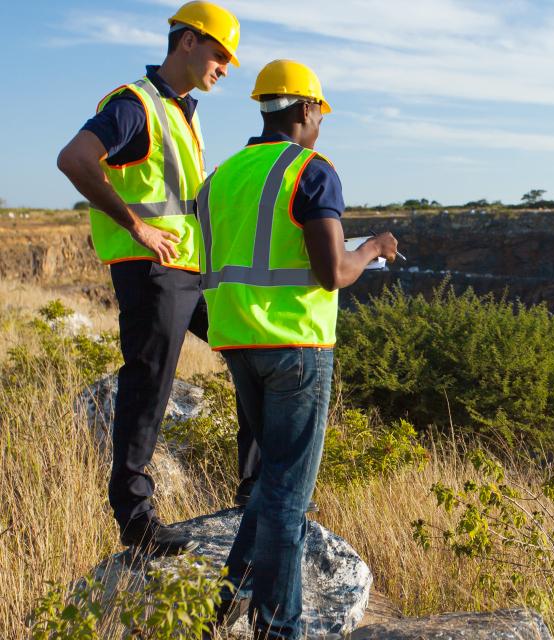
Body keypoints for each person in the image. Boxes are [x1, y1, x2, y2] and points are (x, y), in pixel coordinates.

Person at [196, 59, 397, 639]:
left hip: (238, 342)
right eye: (320, 115)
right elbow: (332, 271)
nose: (320, 125)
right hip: (297, 347)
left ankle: (220, 608)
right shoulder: (312, 171)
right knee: (287, 496)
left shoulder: (223, 176)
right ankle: (280, 630)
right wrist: (373, 248)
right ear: (307, 110)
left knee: (269, 485)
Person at [56, 1, 244, 556]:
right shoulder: (134, 105)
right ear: (188, 42)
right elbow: (74, 159)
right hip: (154, 271)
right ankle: (136, 521)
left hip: (192, 268)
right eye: (219, 53)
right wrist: (135, 226)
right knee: (149, 385)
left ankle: (257, 490)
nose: (225, 67)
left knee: (255, 350)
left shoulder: (184, 109)